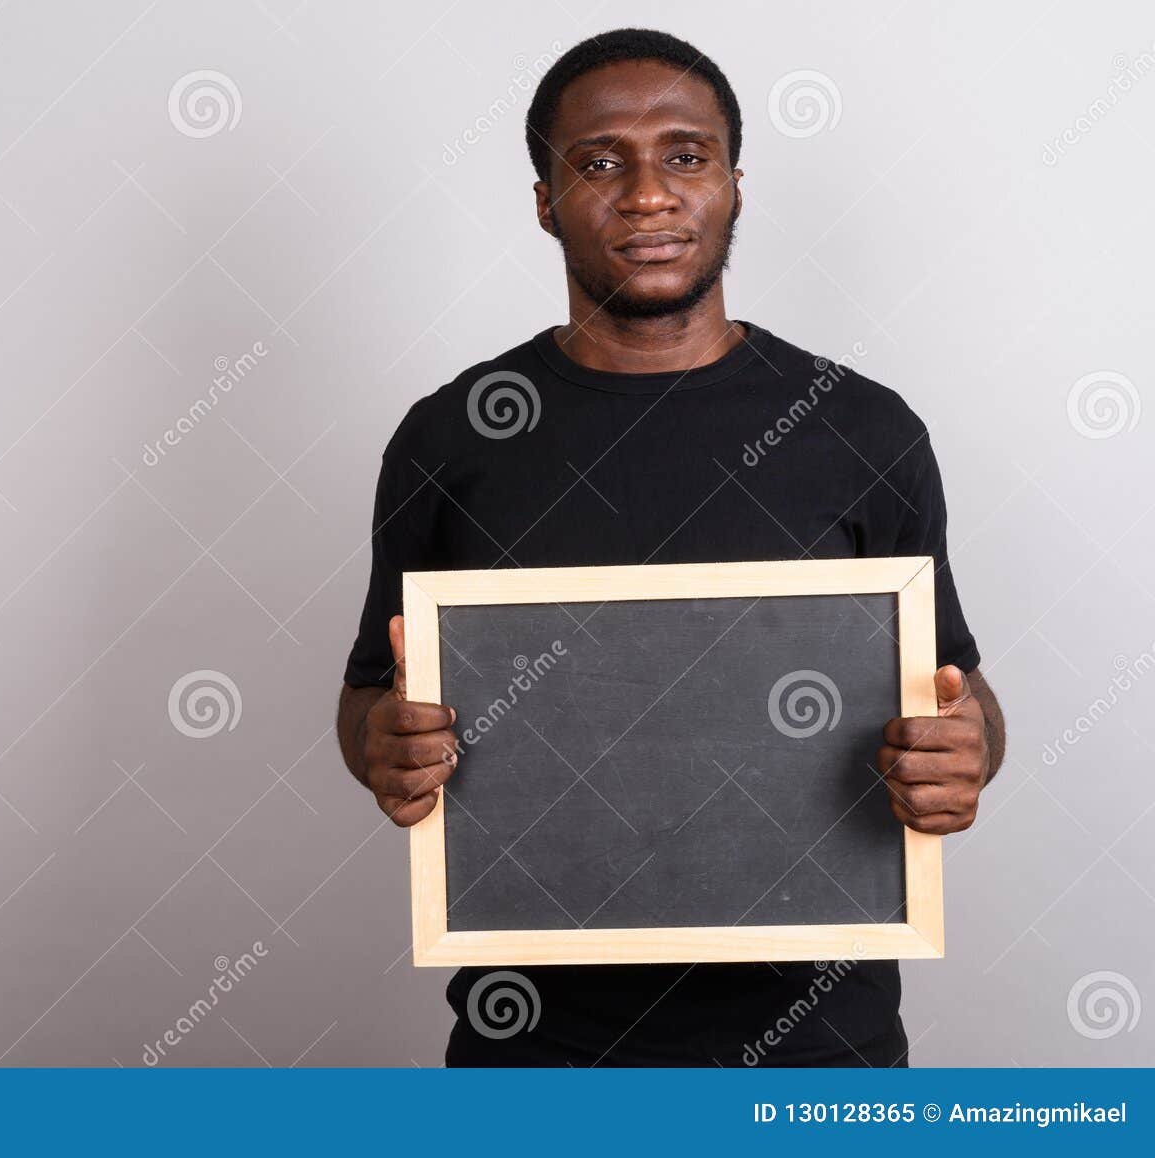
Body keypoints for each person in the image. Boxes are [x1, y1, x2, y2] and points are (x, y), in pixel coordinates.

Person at [335, 27, 1007, 1067]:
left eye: (684, 156)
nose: (648, 194)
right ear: (545, 201)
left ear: (733, 184)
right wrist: (383, 741)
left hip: (821, 1048)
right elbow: (369, 698)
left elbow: (955, 690)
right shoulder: (456, 436)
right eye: (600, 162)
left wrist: (969, 754)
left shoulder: (858, 429)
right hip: (536, 1051)